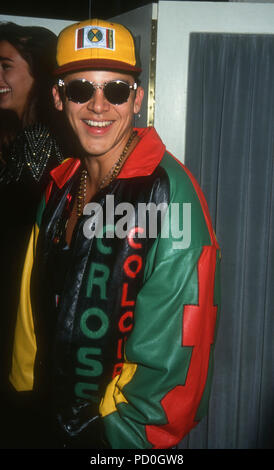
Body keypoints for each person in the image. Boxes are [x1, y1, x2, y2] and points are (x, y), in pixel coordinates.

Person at [9, 19, 221, 449]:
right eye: (81, 89)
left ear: (137, 99)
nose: (99, 106)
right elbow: (30, 320)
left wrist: (115, 438)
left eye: (117, 90)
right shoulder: (59, 185)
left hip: (115, 440)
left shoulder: (169, 194)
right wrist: (25, 403)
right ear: (58, 97)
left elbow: (179, 350)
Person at [0, 22, 65, 447]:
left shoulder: (39, 139)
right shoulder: (27, 135)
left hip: (22, 309)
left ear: (38, 74)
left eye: (5, 66)